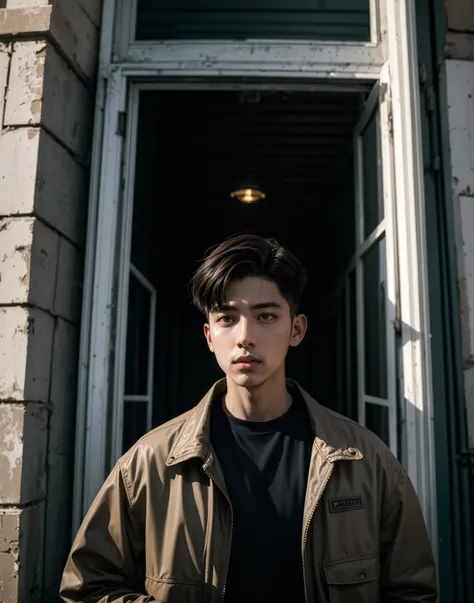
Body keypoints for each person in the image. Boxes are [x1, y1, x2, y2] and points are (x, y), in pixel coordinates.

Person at [60, 233, 437, 603]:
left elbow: (412, 590)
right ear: (209, 336)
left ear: (297, 329)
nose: (245, 336)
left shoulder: (363, 459)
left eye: (266, 316)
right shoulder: (151, 461)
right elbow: (88, 587)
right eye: (227, 318)